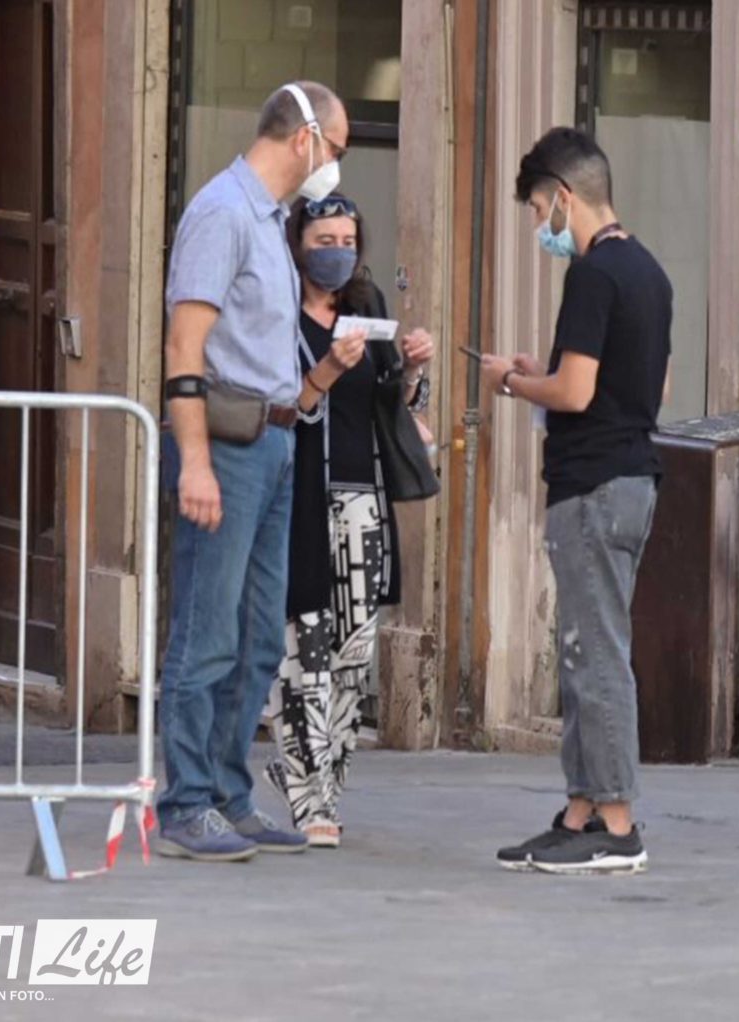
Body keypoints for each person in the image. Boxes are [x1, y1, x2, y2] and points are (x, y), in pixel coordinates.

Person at [156, 82, 349, 862]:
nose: (335, 164)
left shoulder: (271, 221)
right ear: (305, 138)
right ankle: (185, 803)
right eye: (336, 148)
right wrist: (195, 463)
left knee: (259, 636)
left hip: (275, 441)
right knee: (207, 631)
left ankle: (228, 796)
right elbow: (184, 347)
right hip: (227, 444)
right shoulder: (223, 214)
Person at [481, 127, 671, 875]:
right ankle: (580, 811)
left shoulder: (593, 275)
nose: (540, 226)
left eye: (538, 210)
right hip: (629, 476)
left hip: (592, 485)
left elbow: (574, 392)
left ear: (563, 196)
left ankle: (616, 824)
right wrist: (549, 371)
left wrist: (511, 381)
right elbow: (644, 383)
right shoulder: (648, 271)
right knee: (585, 651)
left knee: (596, 657)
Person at [264, 192, 435, 848]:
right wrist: (330, 369)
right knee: (303, 648)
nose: (336, 253)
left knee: (352, 657)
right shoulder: (279, 316)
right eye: (323, 241)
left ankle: (325, 786)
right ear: (298, 245)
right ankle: (308, 799)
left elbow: (394, 404)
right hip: (300, 499)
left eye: (346, 242)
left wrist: (412, 368)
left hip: (364, 503)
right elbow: (287, 408)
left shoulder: (366, 308)